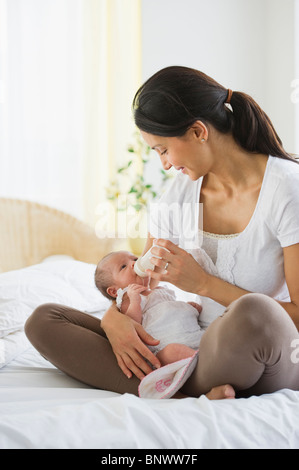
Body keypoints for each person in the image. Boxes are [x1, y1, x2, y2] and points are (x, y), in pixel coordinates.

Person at [25, 65, 299, 400]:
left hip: (264, 352)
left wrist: (203, 285)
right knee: (44, 320)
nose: (165, 164)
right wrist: (115, 322)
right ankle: (188, 389)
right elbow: (142, 280)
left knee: (255, 312)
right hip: (192, 348)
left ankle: (172, 388)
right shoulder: (181, 194)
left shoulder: (286, 189)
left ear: (199, 131)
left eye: (163, 150)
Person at [94, 250, 204, 367]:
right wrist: (135, 301)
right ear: (114, 291)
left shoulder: (159, 290)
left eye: (135, 259)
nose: (133, 264)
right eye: (123, 266)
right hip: (165, 346)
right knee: (173, 352)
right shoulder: (128, 300)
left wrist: (188, 307)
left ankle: (209, 365)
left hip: (193, 335)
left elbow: (171, 308)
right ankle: (206, 368)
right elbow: (132, 326)